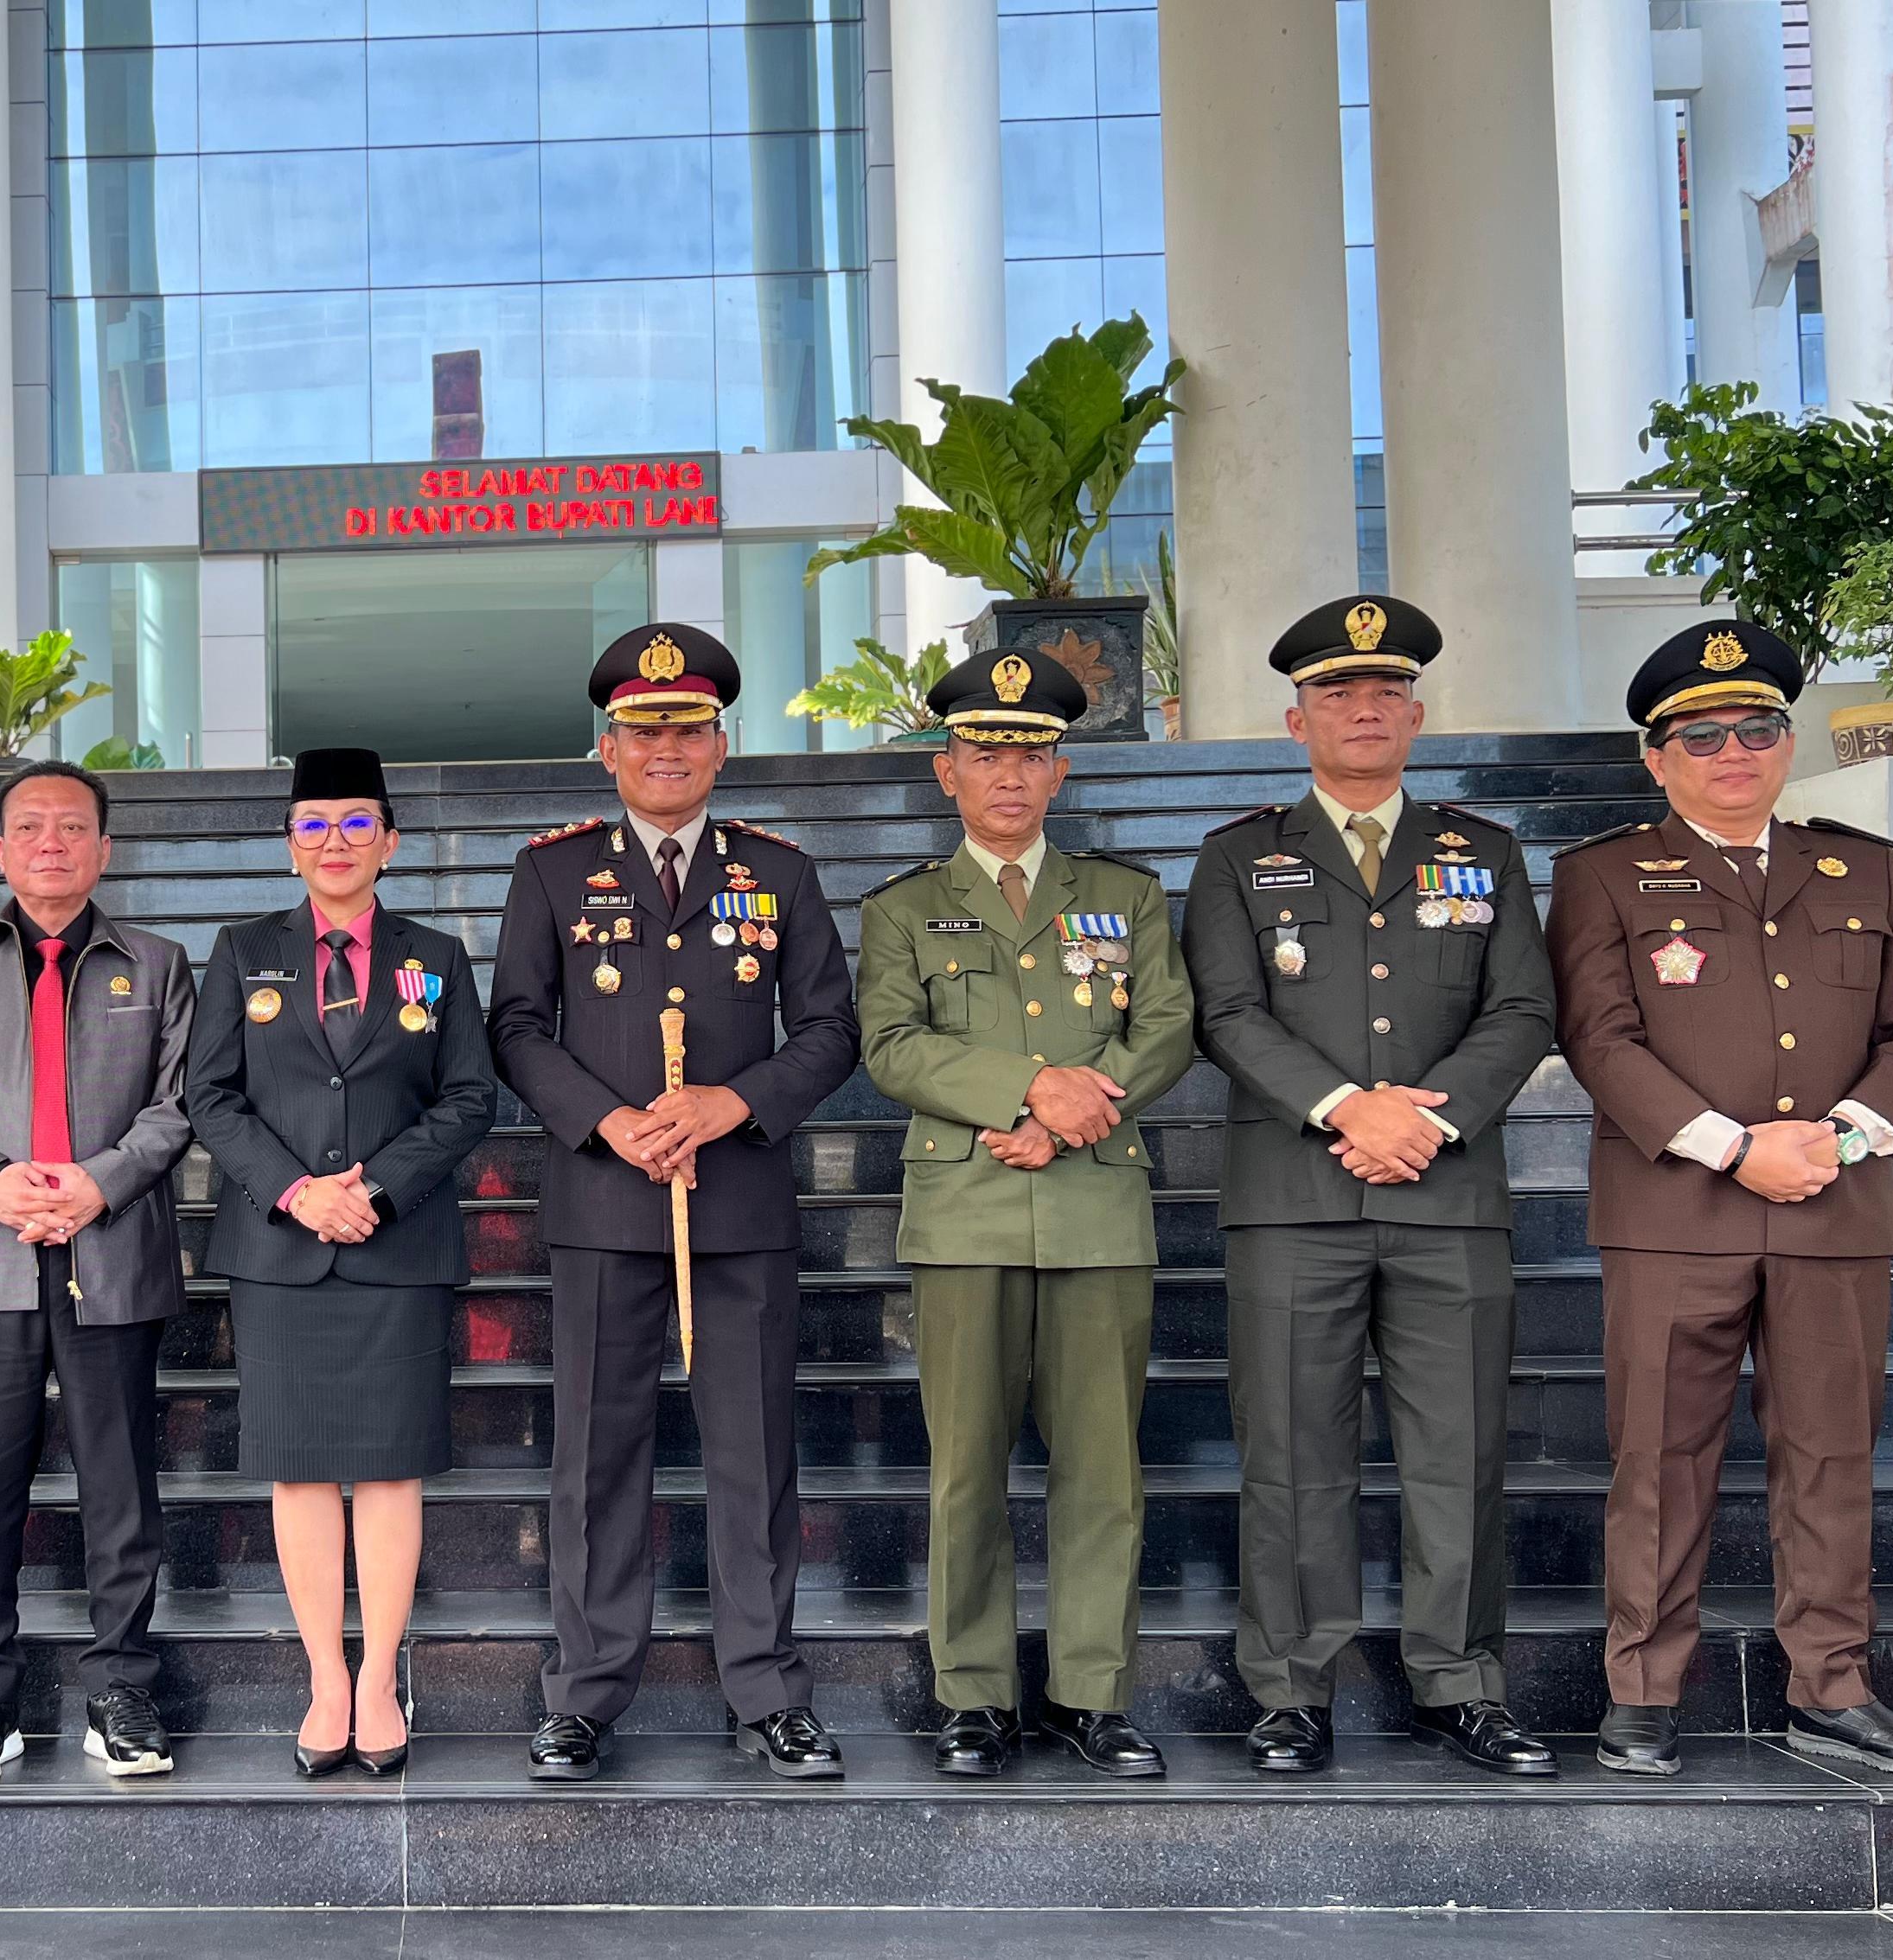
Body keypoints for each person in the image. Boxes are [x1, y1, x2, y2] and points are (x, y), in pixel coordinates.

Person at [1547, 619, 1893, 1780]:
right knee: (1656, 1454)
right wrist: (1733, 1148)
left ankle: (1830, 1688)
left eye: (1755, 727)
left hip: (1832, 1204)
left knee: (1829, 1452)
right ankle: (1641, 1689)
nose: (1731, 750)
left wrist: (1836, 1138)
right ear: (1656, 757)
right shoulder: (1601, 874)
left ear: (1784, 743)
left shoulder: (1861, 867)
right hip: (1671, 1212)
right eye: (1700, 734)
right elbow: (1597, 1037)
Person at [1179, 596, 1561, 1778]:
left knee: (1460, 1449)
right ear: (1294, 721)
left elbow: (1522, 1007)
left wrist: (1424, 1118)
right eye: (1336, 693)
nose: (1362, 708)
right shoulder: (1236, 856)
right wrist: (1350, 1107)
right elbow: (1223, 1012)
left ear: (1416, 716)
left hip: (1446, 1192)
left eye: (1383, 691)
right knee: (1291, 1454)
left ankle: (1460, 1680)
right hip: (1293, 1195)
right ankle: (1290, 1687)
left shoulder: (1480, 849)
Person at [489, 622, 860, 1784]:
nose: (666, 747)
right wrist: (610, 1121)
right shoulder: (552, 872)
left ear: (720, 744)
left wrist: (729, 1102)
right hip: (605, 1201)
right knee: (595, 1459)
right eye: (643, 729)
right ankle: (584, 1691)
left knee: (752, 1454)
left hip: (735, 1198)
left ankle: (768, 1690)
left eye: (688, 727)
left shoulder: (777, 872)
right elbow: (515, 1026)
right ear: (607, 747)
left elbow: (829, 1029)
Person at [854, 646, 1194, 1779]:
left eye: (1030, 754)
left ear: (1059, 771)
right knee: (964, 1471)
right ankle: (973, 1693)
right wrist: (1027, 1089)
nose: (1008, 774)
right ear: (944, 769)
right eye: (985, 753)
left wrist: (1068, 1114)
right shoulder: (903, 907)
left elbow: (1164, 1026)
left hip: (1095, 1205)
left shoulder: (1124, 895)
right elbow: (890, 1043)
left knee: (1102, 1469)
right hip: (965, 1212)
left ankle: (1092, 1692)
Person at [186, 748, 496, 1778]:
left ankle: (377, 1679)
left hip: (395, 1245)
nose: (335, 841)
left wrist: (375, 1188)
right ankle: (326, 1674)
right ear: (288, 846)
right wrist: (296, 1190)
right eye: (313, 824)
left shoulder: (435, 956)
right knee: (300, 1467)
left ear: (389, 842)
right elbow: (209, 1095)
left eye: (356, 823)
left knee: (391, 1467)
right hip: (280, 1251)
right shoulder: (241, 950)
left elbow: (469, 1095)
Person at [0, 761, 195, 1784]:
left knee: (120, 1485)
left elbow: (177, 1103)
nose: (50, 843)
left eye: (70, 827)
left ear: (105, 849)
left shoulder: (156, 964)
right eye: (29, 827)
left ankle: (122, 1687)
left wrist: (100, 1183)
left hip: (111, 1254)